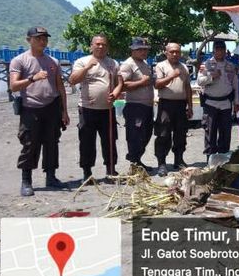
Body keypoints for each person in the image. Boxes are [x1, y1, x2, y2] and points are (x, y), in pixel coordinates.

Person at [9, 27, 69, 196]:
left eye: (45, 38)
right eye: (38, 38)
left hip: (51, 107)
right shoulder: (19, 60)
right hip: (30, 108)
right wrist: (32, 78)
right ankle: (26, 180)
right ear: (29, 40)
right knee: (30, 143)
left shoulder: (53, 61)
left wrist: (64, 111)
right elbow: (13, 86)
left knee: (52, 142)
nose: (42, 41)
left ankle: (51, 176)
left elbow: (60, 87)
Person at [69, 34, 123, 182]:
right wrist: (87, 67)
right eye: (97, 44)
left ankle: (111, 170)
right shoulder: (82, 61)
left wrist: (116, 93)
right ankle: (87, 173)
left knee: (110, 141)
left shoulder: (113, 63)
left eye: (104, 44)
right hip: (87, 109)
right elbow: (73, 80)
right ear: (91, 46)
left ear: (107, 47)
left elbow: (119, 83)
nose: (100, 47)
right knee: (87, 142)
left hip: (107, 109)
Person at [154, 43, 193, 177]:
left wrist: (190, 106)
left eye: (177, 52)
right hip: (166, 104)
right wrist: (172, 76)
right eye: (172, 52)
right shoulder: (161, 66)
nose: (175, 54)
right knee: (163, 134)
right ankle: (162, 163)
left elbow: (188, 87)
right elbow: (157, 84)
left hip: (181, 105)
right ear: (166, 53)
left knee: (181, 133)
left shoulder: (184, 67)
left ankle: (179, 159)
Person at [198, 40, 239, 161]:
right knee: (210, 132)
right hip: (211, 102)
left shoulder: (231, 66)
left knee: (225, 132)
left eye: (222, 49)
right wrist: (211, 77)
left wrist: (236, 102)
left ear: (225, 51)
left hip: (226, 103)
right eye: (217, 49)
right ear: (214, 50)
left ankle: (223, 159)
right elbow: (200, 81)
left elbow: (236, 86)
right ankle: (210, 159)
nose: (220, 51)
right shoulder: (206, 64)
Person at [119, 37, 154, 171]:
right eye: (140, 49)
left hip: (147, 106)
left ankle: (137, 160)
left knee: (146, 134)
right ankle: (134, 163)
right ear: (132, 50)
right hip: (135, 106)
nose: (143, 52)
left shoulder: (144, 64)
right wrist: (141, 83)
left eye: (145, 49)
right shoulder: (128, 64)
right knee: (135, 136)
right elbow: (122, 85)